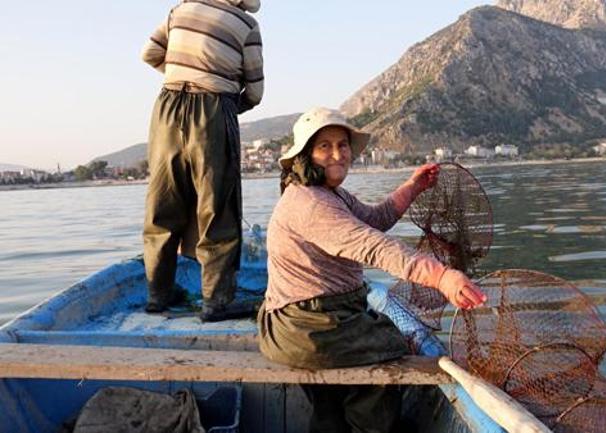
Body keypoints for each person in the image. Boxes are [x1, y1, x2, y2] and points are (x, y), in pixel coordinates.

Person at [257, 107, 486, 433]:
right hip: (306, 325)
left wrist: (412, 187)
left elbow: (374, 220)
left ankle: (331, 423)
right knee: (391, 343)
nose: (338, 154)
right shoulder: (310, 203)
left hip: (309, 320)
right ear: (305, 154)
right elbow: (375, 246)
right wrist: (442, 277)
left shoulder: (328, 193)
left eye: (343, 145)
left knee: (333, 401)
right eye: (324, 147)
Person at [140, 0, 264, 321]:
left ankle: (158, 296)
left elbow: (150, 54)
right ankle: (217, 301)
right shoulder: (247, 25)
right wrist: (219, 97)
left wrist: (185, 74)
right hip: (213, 108)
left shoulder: (180, 10)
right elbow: (255, 92)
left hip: (166, 107)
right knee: (218, 207)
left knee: (163, 204)